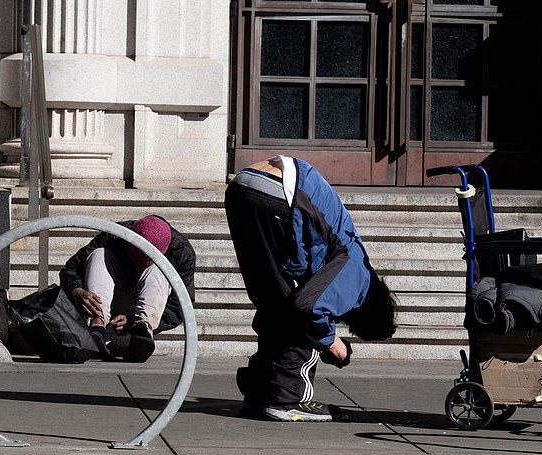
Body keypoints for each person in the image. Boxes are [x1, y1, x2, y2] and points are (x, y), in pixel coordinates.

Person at [224, 155, 397, 422]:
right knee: (303, 318)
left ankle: (261, 393)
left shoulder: (352, 260)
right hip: (279, 193)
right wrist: (330, 341)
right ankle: (290, 399)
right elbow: (309, 308)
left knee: (274, 303)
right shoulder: (358, 278)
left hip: (243, 187)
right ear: (366, 313)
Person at [59, 215, 196, 362]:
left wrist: (132, 321)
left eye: (142, 262)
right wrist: (77, 291)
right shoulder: (115, 234)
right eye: (133, 258)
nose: (136, 265)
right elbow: (70, 269)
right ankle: (97, 325)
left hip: (144, 305)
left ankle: (142, 331)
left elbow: (180, 306)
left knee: (162, 268)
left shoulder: (181, 252)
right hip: (108, 296)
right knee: (99, 254)